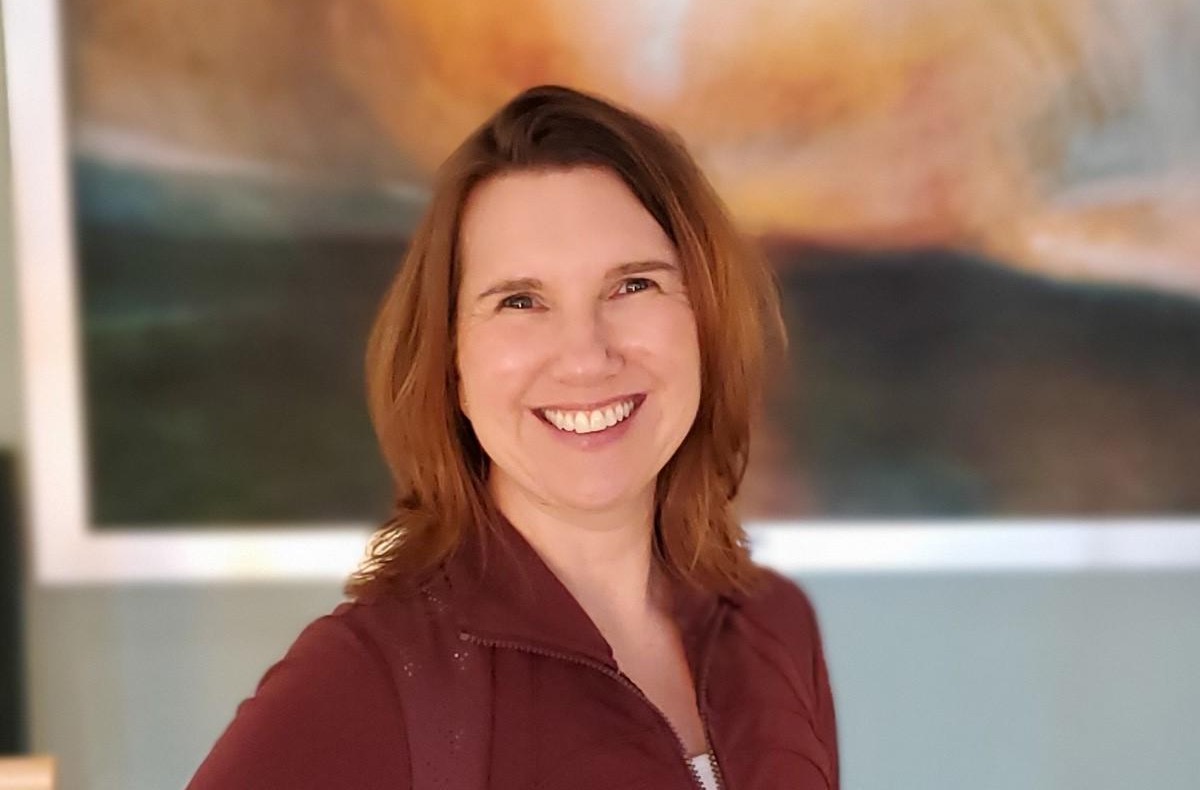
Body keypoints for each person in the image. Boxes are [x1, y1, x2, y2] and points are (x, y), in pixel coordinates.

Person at [187, 84, 838, 790]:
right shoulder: (368, 679)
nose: (587, 355)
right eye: (520, 301)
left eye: (632, 286)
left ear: (704, 319)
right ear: (453, 364)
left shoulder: (775, 628)